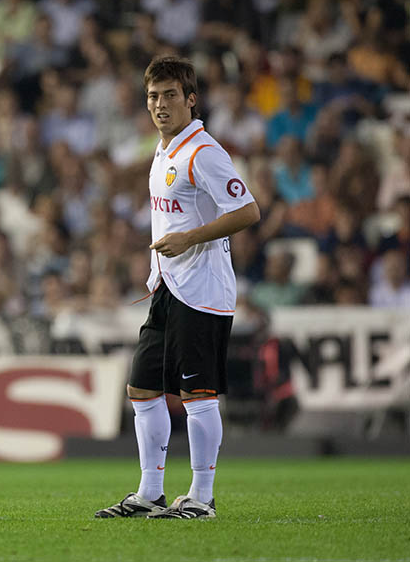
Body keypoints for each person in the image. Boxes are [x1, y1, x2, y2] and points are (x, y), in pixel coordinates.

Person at [95, 57, 260, 520]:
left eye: (170, 95)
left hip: (204, 288)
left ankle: (202, 498)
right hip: (168, 286)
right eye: (153, 96)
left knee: (197, 395)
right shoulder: (164, 149)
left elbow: (248, 211)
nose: (160, 105)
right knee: (142, 389)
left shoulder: (203, 151)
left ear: (191, 99)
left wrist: (189, 237)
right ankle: (151, 492)